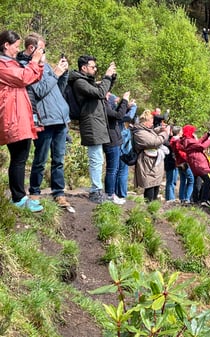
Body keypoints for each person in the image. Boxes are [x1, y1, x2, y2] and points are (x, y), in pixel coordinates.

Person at [16, 33, 74, 212]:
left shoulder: (46, 66)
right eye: (43, 49)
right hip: (44, 120)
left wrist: (63, 72)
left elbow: (58, 88)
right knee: (40, 159)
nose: (45, 53)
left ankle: (59, 192)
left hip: (60, 119)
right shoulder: (24, 68)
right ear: (32, 49)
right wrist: (55, 74)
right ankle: (34, 192)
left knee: (59, 160)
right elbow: (39, 90)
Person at [0, 30, 44, 212]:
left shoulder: (10, 62)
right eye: (16, 46)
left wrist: (38, 62)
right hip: (12, 117)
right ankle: (18, 198)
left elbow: (32, 77)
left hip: (18, 116)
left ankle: (20, 196)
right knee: (19, 157)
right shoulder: (2, 65)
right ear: (6, 45)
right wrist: (34, 62)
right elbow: (24, 77)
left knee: (21, 156)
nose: (17, 50)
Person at [69, 55, 116, 204]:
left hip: (96, 123)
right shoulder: (79, 82)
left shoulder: (87, 82)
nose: (95, 69)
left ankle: (97, 190)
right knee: (96, 159)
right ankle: (96, 191)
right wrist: (107, 76)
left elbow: (102, 90)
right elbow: (100, 93)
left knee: (98, 158)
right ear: (84, 68)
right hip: (91, 123)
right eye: (93, 67)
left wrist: (111, 79)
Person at [133, 110, 170, 202]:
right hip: (147, 163)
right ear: (146, 121)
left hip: (154, 162)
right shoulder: (139, 132)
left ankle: (153, 207)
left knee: (156, 184)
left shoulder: (145, 130)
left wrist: (161, 129)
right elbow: (154, 142)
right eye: (151, 121)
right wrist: (165, 133)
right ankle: (148, 208)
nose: (153, 123)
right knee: (149, 185)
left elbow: (152, 132)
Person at [103, 92, 130, 204]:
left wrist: (123, 103)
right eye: (109, 96)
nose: (110, 97)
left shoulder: (107, 107)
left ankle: (111, 193)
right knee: (112, 170)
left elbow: (118, 113)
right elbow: (118, 115)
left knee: (114, 169)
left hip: (114, 140)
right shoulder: (104, 106)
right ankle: (110, 194)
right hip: (111, 141)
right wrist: (124, 100)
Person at [181, 125, 210, 205]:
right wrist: (209, 140)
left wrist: (207, 135)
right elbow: (202, 146)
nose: (194, 133)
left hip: (195, 164)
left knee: (197, 181)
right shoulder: (189, 141)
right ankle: (203, 199)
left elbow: (198, 142)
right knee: (208, 180)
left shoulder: (188, 141)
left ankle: (196, 199)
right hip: (199, 164)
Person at [170, 126, 194, 204]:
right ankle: (187, 199)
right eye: (181, 131)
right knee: (191, 180)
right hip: (184, 163)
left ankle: (182, 198)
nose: (182, 132)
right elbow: (182, 152)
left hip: (178, 163)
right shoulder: (177, 141)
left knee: (183, 180)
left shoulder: (173, 140)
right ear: (178, 132)